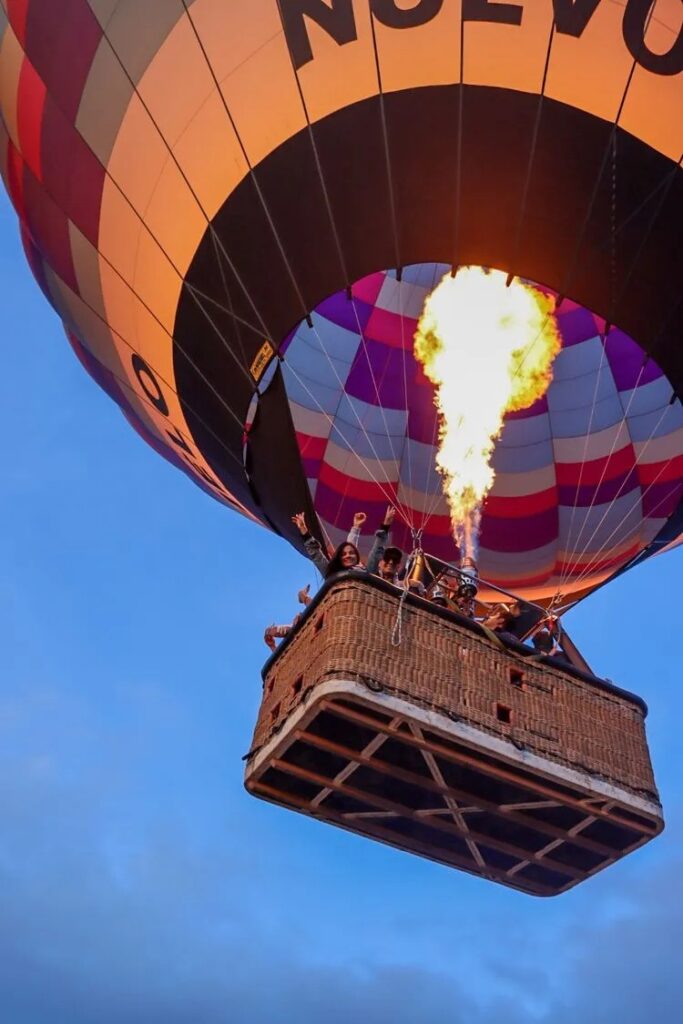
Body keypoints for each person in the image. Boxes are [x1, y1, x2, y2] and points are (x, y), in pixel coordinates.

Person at [292, 510, 364, 577]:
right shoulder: (331, 574)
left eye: (351, 553)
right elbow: (316, 555)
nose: (347, 556)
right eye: (343, 554)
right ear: (339, 559)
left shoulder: (365, 573)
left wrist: (356, 527)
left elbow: (351, 547)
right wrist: (303, 529)